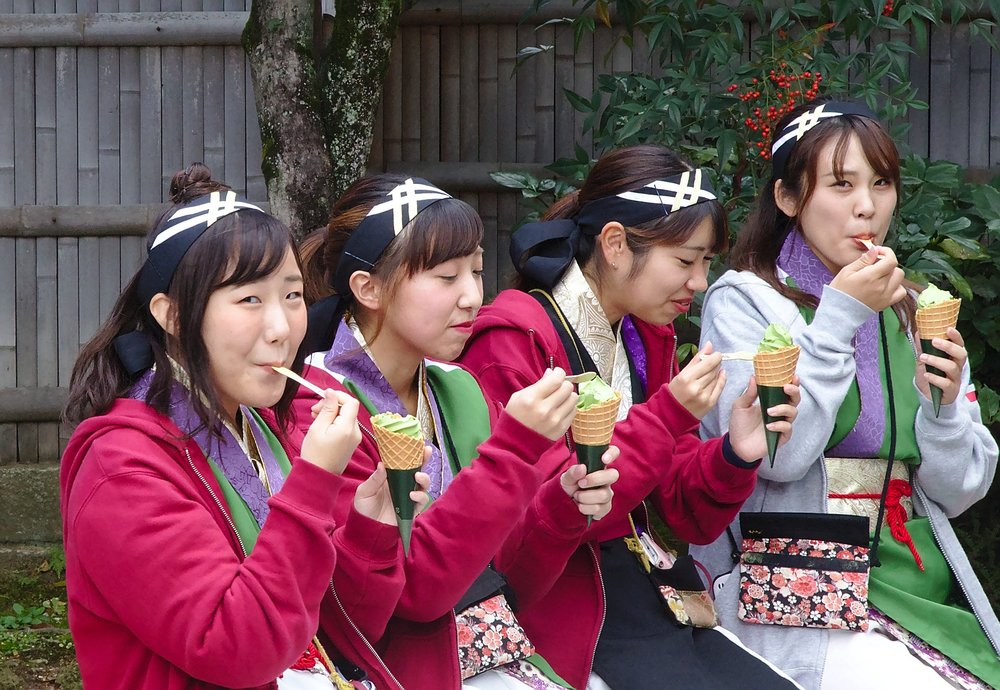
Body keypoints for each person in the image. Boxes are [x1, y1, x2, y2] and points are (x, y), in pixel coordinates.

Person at [61, 164, 419, 690]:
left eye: (293, 296)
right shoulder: (121, 469)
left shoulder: (258, 426)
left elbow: (339, 630)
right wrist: (314, 483)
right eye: (250, 299)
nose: (281, 329)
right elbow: (237, 648)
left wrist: (371, 523)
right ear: (173, 315)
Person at [459, 145, 803, 690]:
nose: (699, 283)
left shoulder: (644, 336)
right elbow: (548, 511)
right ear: (616, 244)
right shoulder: (513, 338)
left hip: (647, 587)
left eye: (706, 262)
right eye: (686, 260)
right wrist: (665, 417)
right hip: (562, 599)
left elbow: (685, 514)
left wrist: (738, 450)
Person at [691, 99, 1000, 689]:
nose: (868, 206)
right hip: (800, 588)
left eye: (881, 183)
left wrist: (944, 408)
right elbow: (779, 459)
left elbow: (961, 491)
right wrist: (838, 318)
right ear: (786, 198)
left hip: (915, 575)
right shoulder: (744, 301)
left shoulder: (913, 305)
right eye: (841, 184)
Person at [294, 173, 620, 690]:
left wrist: (562, 504)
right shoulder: (321, 410)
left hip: (498, 655)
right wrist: (515, 448)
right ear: (368, 287)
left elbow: (512, 579)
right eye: (447, 278)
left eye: (475, 270)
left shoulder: (458, 387)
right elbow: (414, 594)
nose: (472, 296)